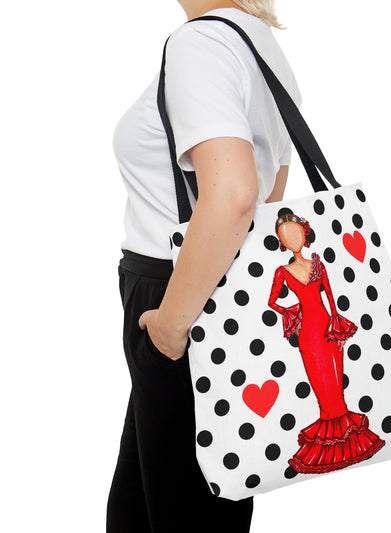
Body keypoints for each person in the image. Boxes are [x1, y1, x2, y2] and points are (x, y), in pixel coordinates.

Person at [106, 1, 302, 531]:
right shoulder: (258, 43)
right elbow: (268, 200)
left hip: (180, 301)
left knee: (181, 513)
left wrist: (170, 329)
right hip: (217, 292)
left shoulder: (201, 45)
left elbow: (237, 196)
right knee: (156, 508)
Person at [268, 214, 386, 474]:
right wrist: (290, 312)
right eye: (286, 236)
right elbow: (272, 301)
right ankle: (330, 449)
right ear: (281, 242)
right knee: (323, 388)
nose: (293, 239)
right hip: (308, 334)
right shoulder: (282, 272)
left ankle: (349, 443)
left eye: (296, 232)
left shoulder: (318, 265)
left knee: (336, 385)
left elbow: (331, 298)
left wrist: (338, 328)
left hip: (327, 328)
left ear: (304, 233)